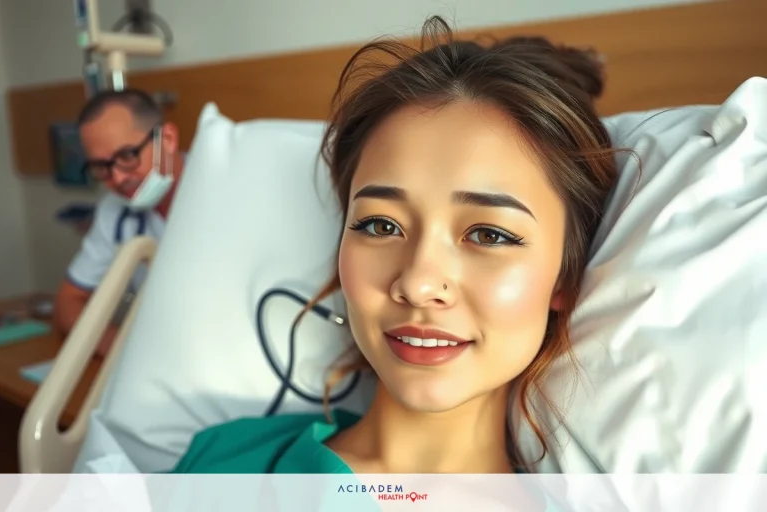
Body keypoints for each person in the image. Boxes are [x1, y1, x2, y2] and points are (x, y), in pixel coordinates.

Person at [172, 14, 619, 495]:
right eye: (381, 225)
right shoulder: (223, 465)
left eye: (489, 235)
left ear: (564, 279)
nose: (418, 282)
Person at [53, 88, 184, 357]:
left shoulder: (224, 189)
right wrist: (126, 355)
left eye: (127, 155)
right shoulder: (114, 211)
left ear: (167, 139)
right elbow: (68, 303)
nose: (118, 179)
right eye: (101, 167)